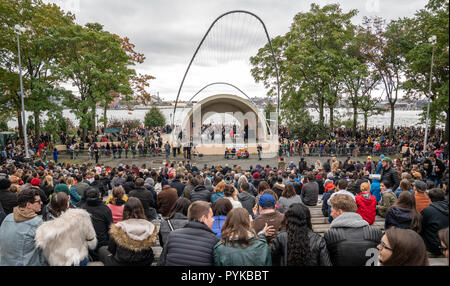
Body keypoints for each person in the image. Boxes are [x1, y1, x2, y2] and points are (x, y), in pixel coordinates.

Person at [324, 194, 382, 266]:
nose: (331, 214)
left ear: (340, 212)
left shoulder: (330, 235)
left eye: (332, 211)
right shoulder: (376, 233)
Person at [98, 197, 158, 266]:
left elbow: (112, 249)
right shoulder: (150, 226)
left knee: (102, 250)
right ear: (141, 210)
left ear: (125, 210)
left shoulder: (118, 227)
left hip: (122, 263)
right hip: (145, 261)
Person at [158, 201, 219, 266]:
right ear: (203, 218)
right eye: (211, 216)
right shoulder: (214, 241)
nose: (213, 219)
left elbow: (162, 261)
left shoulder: (173, 235)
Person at [0, 188, 45, 266]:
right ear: (28, 205)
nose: (41, 203)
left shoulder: (8, 218)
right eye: (38, 201)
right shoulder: (37, 222)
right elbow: (44, 250)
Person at [79, 187, 113, 260]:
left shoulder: (82, 208)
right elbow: (110, 227)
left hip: (88, 243)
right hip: (100, 243)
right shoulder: (105, 209)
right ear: (99, 196)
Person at [419, 188, 449, 255]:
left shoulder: (427, 211)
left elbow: (420, 228)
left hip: (433, 247)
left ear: (429, 199)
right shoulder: (428, 210)